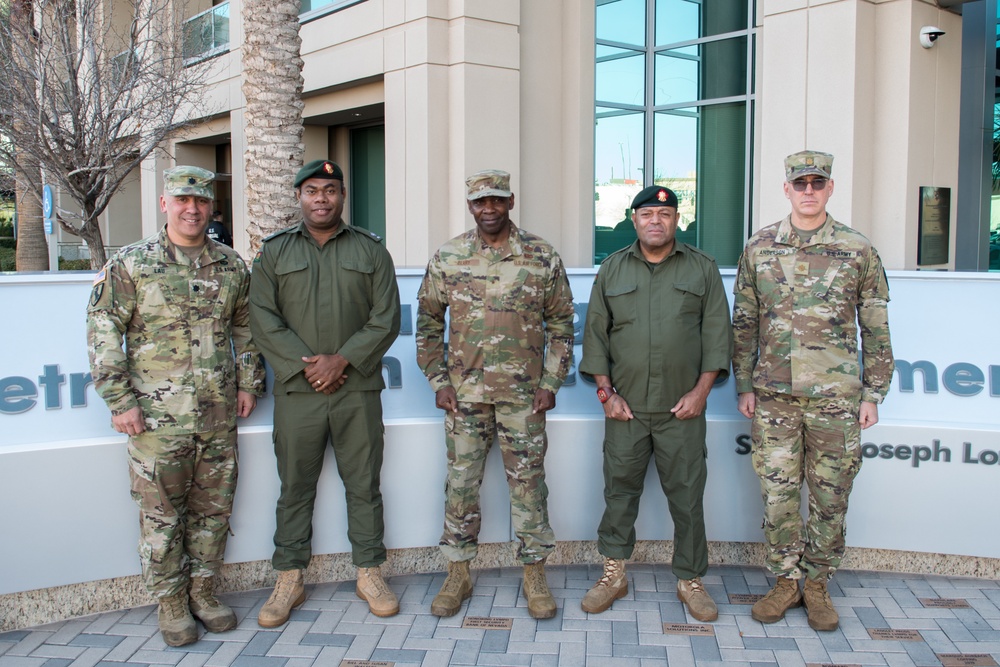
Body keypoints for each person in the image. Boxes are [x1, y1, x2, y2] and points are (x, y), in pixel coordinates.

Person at [87, 165, 265, 647]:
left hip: (217, 414)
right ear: (165, 204)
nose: (192, 209)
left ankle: (204, 593)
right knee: (162, 516)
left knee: (213, 511)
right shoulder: (132, 263)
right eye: (183, 200)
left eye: (202, 201)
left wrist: (248, 383)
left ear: (212, 207)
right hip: (156, 418)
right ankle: (170, 601)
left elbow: (246, 329)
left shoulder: (230, 265)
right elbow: (104, 331)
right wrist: (120, 400)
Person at [732, 151, 894, 631]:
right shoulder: (760, 246)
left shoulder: (857, 249)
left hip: (837, 401)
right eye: (799, 183)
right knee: (779, 498)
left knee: (831, 497)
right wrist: (743, 384)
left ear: (829, 189)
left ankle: (818, 584)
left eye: (816, 183)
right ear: (786, 189)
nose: (808, 191)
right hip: (775, 398)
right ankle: (784, 582)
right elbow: (744, 321)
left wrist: (873, 393)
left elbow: (877, 328)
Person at [415, 169, 575, 619]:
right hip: (464, 395)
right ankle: (459, 571)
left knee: (528, 486)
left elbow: (562, 326)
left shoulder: (541, 256)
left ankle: (534, 572)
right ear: (470, 205)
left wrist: (550, 383)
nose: (489, 209)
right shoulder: (449, 256)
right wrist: (438, 381)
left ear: (510, 201)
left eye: (497, 200)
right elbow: (427, 323)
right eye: (481, 202)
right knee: (461, 485)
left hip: (524, 398)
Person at [249, 159, 401, 625]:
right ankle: (289, 578)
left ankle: (370, 572)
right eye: (312, 189)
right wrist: (311, 368)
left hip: (357, 391)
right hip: (300, 393)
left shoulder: (372, 251)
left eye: (330, 190)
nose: (321, 198)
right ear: (300, 197)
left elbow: (386, 317)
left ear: (342, 196)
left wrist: (343, 360)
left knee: (364, 485)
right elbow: (262, 317)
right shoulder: (274, 252)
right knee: (294, 487)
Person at [579, 185, 732, 620]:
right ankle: (613, 573)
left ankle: (690, 578)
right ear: (634, 220)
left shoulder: (701, 269)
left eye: (664, 215)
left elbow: (717, 336)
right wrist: (606, 395)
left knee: (687, 497)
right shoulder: (611, 269)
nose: (655, 222)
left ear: (676, 219)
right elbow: (596, 337)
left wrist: (700, 393)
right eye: (647, 214)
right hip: (624, 410)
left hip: (680, 411)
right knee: (619, 494)